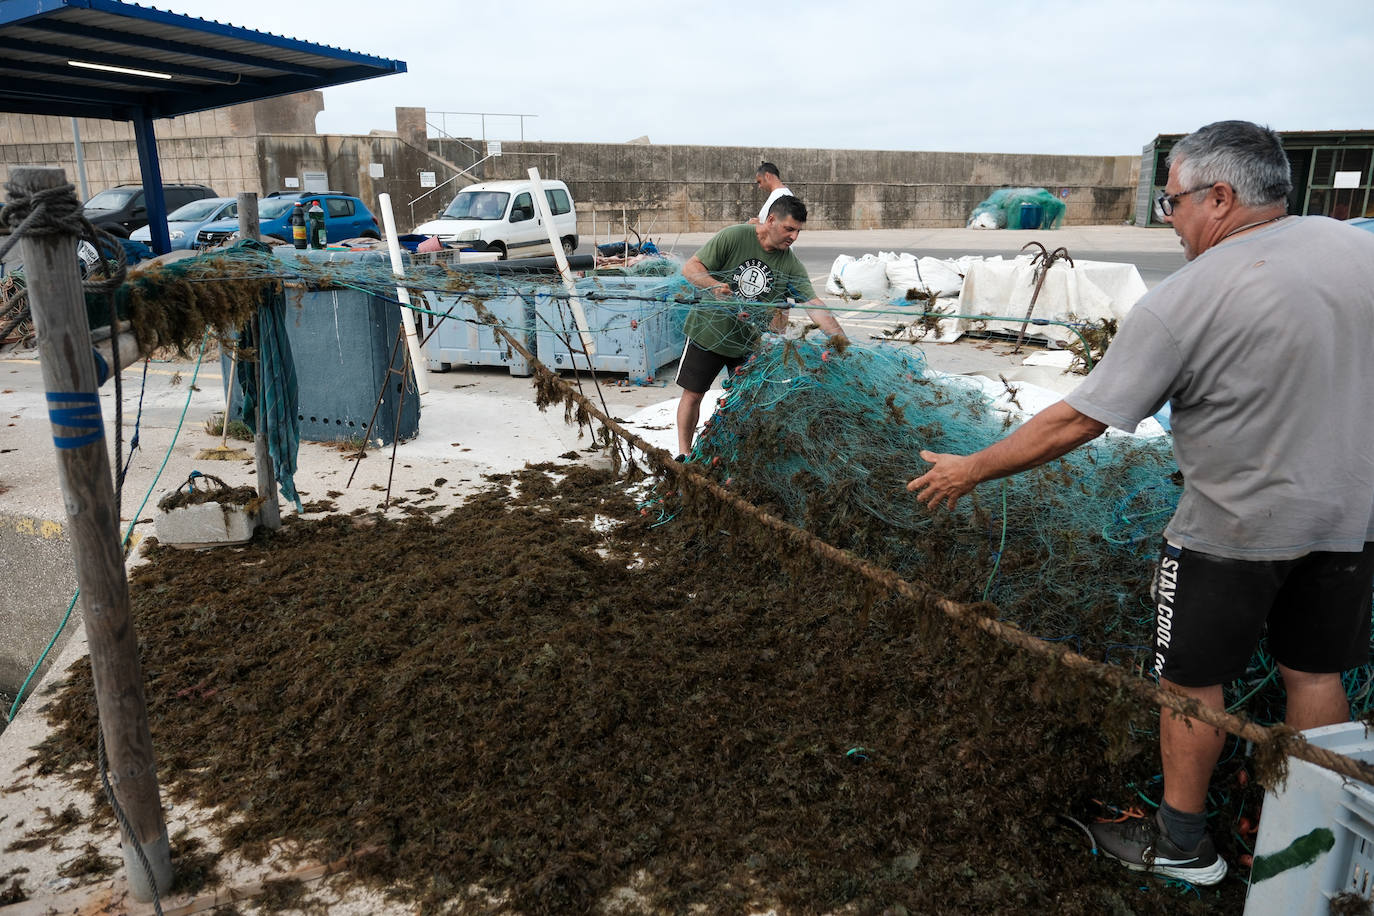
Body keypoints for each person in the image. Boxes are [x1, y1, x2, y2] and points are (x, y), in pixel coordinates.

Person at [906, 120, 1374, 886]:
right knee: (1314, 675)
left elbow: (1076, 419)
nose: (1172, 219)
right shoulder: (1362, 249)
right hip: (1353, 523)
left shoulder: (1189, 296)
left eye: (1173, 201)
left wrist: (970, 470)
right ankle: (1314, 845)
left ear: (1220, 197)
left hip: (1231, 530)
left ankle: (1184, 843)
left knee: (1190, 684)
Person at [676, 194, 846, 459]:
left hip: (748, 343)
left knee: (746, 404)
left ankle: (734, 456)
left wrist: (841, 341)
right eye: (789, 229)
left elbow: (814, 304)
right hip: (708, 334)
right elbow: (691, 267)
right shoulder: (734, 237)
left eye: (798, 231)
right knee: (693, 395)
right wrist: (714, 286)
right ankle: (684, 454)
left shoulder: (790, 264)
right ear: (770, 220)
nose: (794, 237)